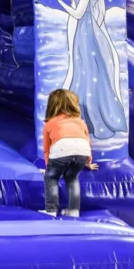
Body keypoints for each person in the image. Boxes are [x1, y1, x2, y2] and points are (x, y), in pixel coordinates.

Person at [51, 0, 126, 139]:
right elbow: (100, 13)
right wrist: (98, 30)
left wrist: (59, 1)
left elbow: (78, 14)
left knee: (85, 71)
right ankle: (96, 117)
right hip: (93, 31)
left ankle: (90, 120)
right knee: (95, 71)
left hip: (84, 33)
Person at [42, 89, 98, 218]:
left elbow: (47, 148)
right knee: (72, 178)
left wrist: (48, 166)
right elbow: (87, 142)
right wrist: (88, 162)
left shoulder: (50, 123)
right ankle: (73, 211)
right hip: (82, 150)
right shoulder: (80, 122)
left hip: (62, 148)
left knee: (51, 178)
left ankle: (51, 210)